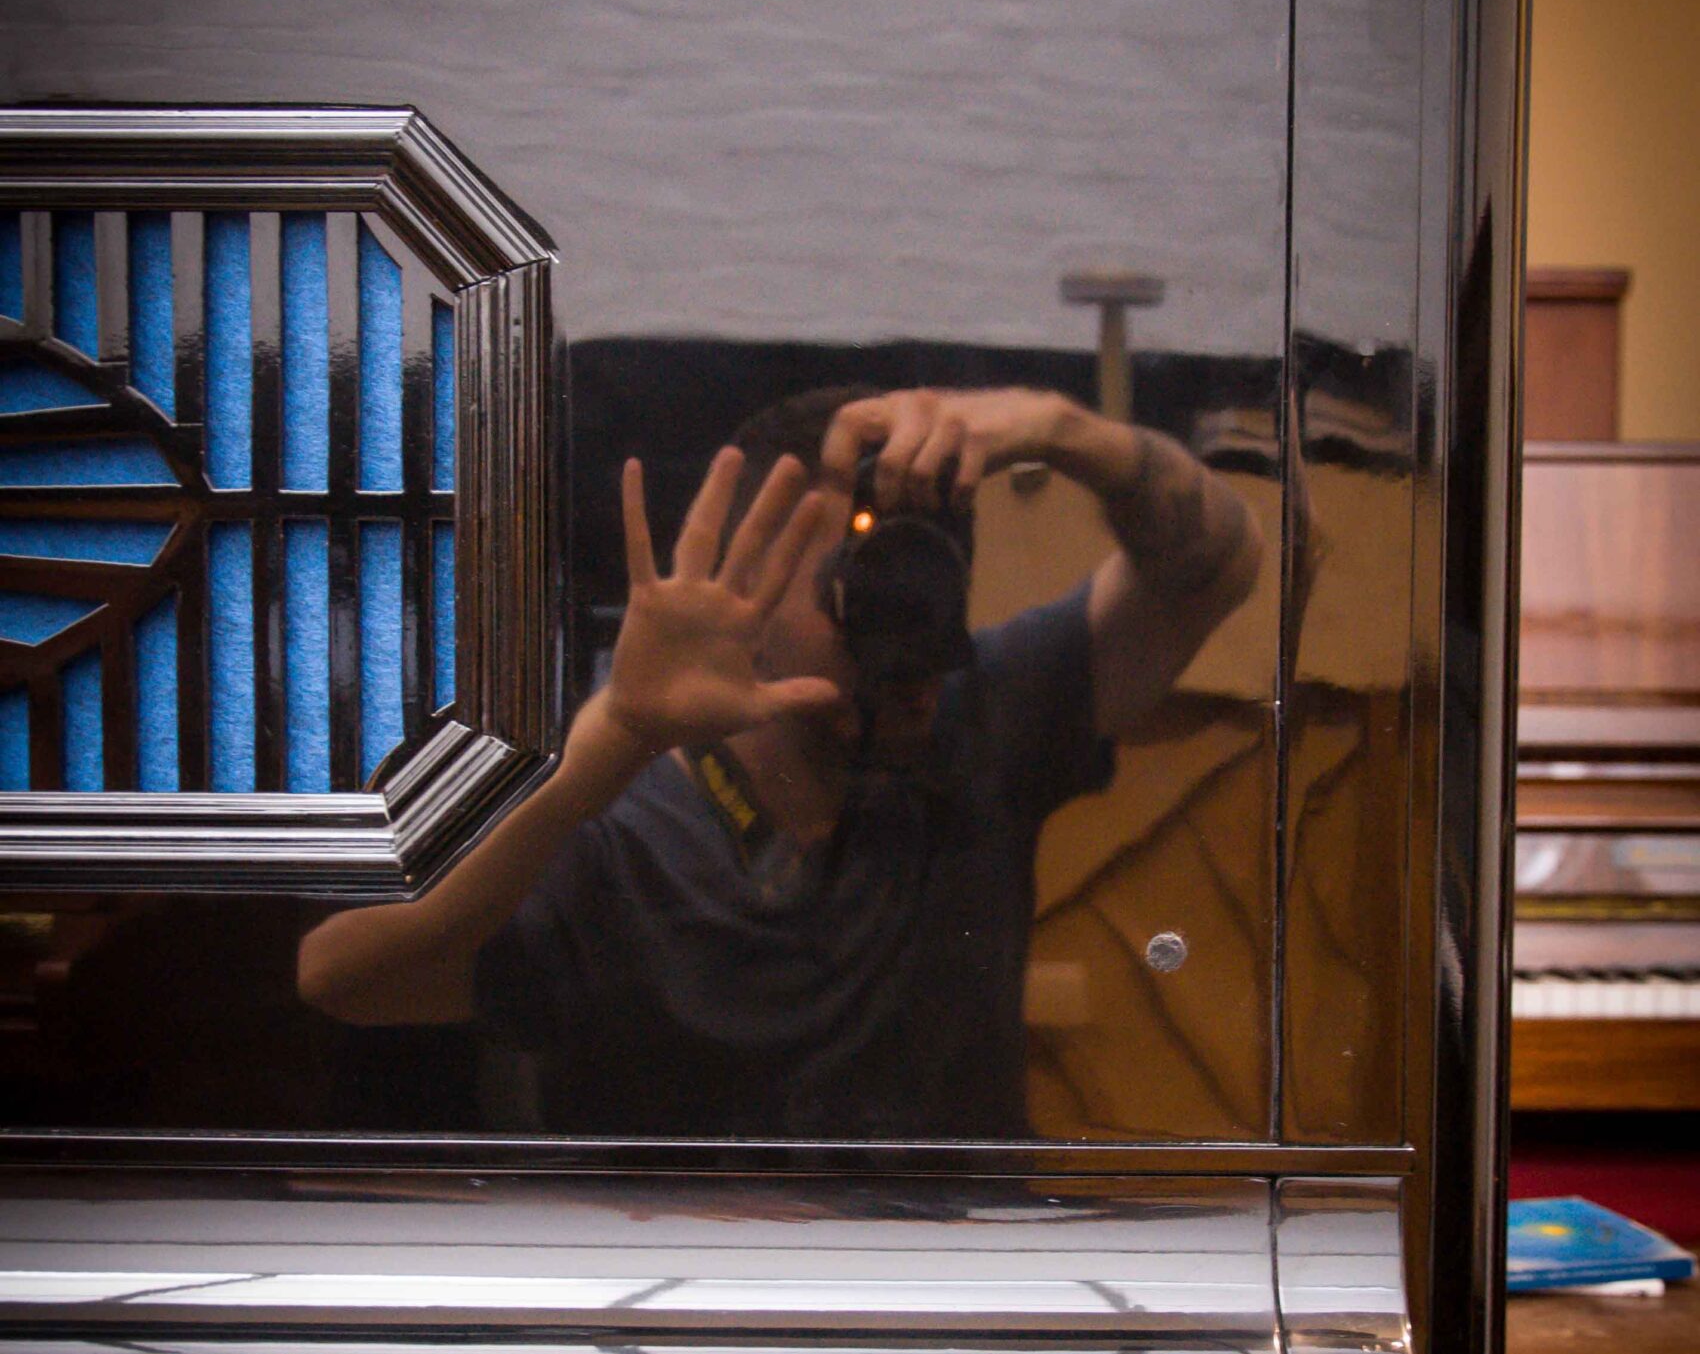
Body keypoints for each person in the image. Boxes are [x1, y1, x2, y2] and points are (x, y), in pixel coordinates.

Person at [298, 385, 1260, 1137]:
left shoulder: (972, 727)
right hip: (694, 1305)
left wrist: (1061, 430)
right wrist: (611, 741)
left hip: (950, 1294)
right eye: (862, 583)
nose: (905, 623)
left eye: (922, 573)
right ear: (744, 596)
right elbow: (343, 976)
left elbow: (1217, 567)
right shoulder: (623, 831)